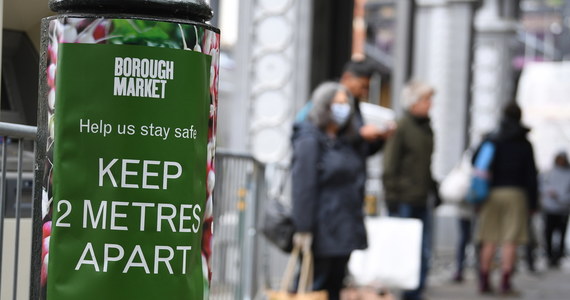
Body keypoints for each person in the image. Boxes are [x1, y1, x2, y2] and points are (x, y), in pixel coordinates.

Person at [291, 82, 367, 300]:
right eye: (339, 104)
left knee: (334, 288)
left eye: (346, 104)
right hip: (321, 230)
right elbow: (303, 187)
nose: (345, 109)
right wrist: (303, 228)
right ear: (325, 106)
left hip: (343, 228)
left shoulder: (344, 141)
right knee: (313, 287)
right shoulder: (309, 139)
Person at [475, 101, 538, 295]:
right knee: (510, 240)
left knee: (489, 238)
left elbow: (476, 162)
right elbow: (531, 175)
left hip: (492, 193)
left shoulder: (492, 139)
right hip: (516, 195)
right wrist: (533, 203)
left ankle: (484, 280)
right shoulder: (524, 143)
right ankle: (505, 282)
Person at [382, 80, 435, 300]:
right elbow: (390, 164)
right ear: (414, 102)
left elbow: (425, 164)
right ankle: (402, 291)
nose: (430, 104)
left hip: (422, 197)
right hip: (403, 198)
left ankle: (415, 292)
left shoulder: (427, 128)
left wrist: (434, 188)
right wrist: (392, 196)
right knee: (403, 249)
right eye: (426, 100)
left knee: (423, 250)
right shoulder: (401, 126)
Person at [540, 151, 570, 268]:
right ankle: (549, 255)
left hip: (563, 209)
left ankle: (558, 256)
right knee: (548, 233)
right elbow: (542, 186)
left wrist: (561, 197)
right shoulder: (548, 173)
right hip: (549, 208)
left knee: (561, 234)